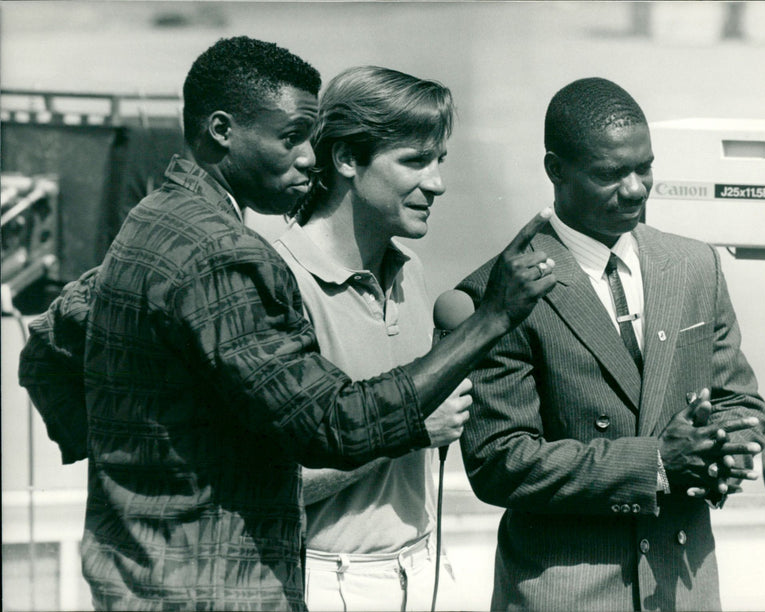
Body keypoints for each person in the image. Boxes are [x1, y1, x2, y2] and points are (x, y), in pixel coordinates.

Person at [17, 37, 557, 611]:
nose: (309, 156)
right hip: (214, 592)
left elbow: (46, 348)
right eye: (292, 137)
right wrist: (493, 318)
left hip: (142, 577)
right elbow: (334, 426)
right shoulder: (223, 253)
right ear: (222, 131)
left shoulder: (155, 220)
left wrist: (140, 464)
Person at [455, 77, 765, 612]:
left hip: (682, 588)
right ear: (556, 170)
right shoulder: (503, 291)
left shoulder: (696, 265)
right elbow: (498, 461)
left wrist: (728, 450)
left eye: (643, 167)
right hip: (565, 594)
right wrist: (655, 463)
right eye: (610, 174)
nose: (635, 189)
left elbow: (739, 400)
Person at [269, 66, 464, 611]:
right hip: (325, 580)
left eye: (439, 160)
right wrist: (408, 429)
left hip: (425, 566)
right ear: (348, 160)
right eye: (415, 161)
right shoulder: (282, 283)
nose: (437, 182)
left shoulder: (412, 271)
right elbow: (270, 484)